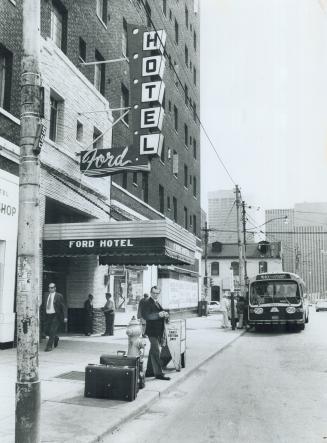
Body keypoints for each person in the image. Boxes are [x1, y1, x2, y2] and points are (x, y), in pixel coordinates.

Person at [142, 286, 171, 381]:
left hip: (158, 331)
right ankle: (159, 374)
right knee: (156, 351)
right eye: (154, 293)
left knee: (153, 351)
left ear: (159, 294)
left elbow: (159, 313)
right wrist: (158, 315)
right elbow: (146, 316)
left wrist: (165, 315)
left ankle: (149, 372)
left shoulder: (157, 302)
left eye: (157, 293)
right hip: (151, 331)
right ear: (150, 293)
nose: (155, 295)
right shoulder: (147, 302)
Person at [41, 283, 67, 352]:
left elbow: (63, 307)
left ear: (55, 288)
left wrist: (65, 317)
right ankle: (55, 338)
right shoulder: (45, 295)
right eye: (49, 288)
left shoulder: (59, 296)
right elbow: (43, 305)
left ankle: (49, 346)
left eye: (52, 288)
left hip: (55, 315)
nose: (50, 289)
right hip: (47, 316)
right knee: (46, 331)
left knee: (52, 331)